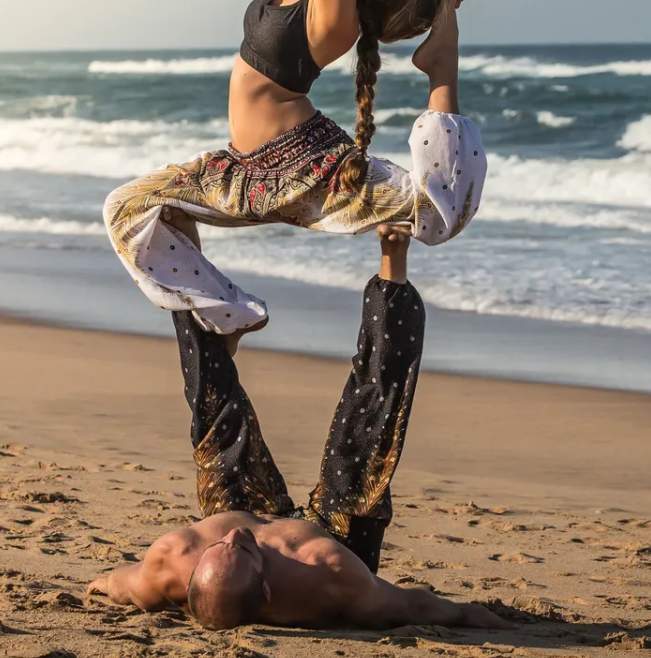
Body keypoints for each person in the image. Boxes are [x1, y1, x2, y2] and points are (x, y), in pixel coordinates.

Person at [102, 0, 485, 352]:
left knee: (433, 211)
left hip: (302, 168)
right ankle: (232, 313)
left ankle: (440, 69)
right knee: (126, 206)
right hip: (243, 169)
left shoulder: (336, 10)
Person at [88, 228, 512, 631]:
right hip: (335, 533)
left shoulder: (171, 559)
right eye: (243, 548)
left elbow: (122, 585)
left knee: (212, 410)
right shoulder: (328, 574)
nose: (235, 534)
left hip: (249, 507)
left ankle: (185, 254)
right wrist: (473, 616)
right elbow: (413, 605)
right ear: (266, 589)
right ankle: (393, 261)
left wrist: (104, 584)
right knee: (368, 423)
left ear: (194, 573)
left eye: (222, 546)